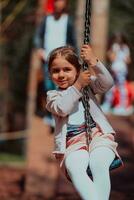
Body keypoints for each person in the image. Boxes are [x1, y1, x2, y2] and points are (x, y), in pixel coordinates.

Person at [46, 45, 123, 200]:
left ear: (78, 70)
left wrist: (93, 61)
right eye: (56, 70)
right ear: (50, 74)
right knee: (75, 168)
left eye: (67, 69)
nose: (61, 74)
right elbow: (62, 108)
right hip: (72, 142)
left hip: (97, 135)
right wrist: (77, 85)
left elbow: (107, 83)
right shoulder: (53, 96)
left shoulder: (87, 85)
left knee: (98, 162)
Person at [34, 0, 77, 128]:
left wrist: (71, 55)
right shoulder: (47, 20)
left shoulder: (68, 20)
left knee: (63, 86)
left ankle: (62, 113)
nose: (59, 4)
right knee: (48, 86)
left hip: (63, 60)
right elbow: (38, 37)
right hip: (47, 59)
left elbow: (73, 40)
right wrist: (39, 49)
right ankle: (50, 114)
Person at [101, 33, 133, 115]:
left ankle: (122, 105)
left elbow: (128, 60)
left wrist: (121, 55)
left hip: (121, 70)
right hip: (114, 70)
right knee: (111, 87)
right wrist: (113, 52)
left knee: (122, 88)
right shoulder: (115, 46)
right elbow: (111, 58)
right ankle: (107, 105)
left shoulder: (125, 48)